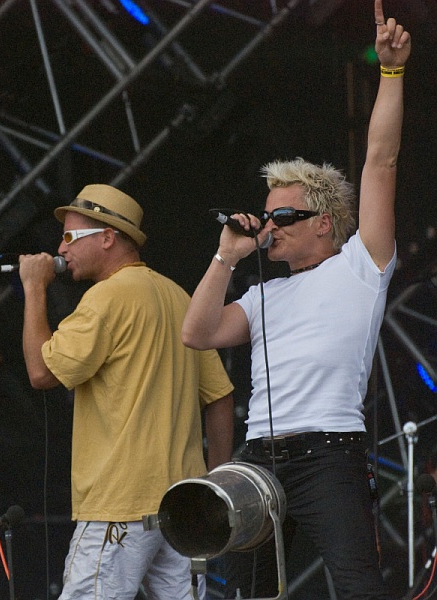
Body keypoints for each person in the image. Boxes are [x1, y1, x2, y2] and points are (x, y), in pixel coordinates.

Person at [181, 1, 411, 598]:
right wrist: (227, 255)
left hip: (330, 454)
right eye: (268, 214)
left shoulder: (361, 266)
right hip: (258, 457)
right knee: (253, 589)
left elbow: (381, 160)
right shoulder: (261, 294)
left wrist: (391, 73)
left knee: (359, 584)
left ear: (325, 225)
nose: (272, 225)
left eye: (286, 215)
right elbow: (196, 332)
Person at [18, 184, 234, 600]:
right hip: (181, 507)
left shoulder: (106, 298)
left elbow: (41, 372)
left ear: (107, 237)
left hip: (117, 506)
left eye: (69, 237)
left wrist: (34, 288)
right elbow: (220, 396)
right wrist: (214, 483)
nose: (61, 247)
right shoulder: (178, 297)